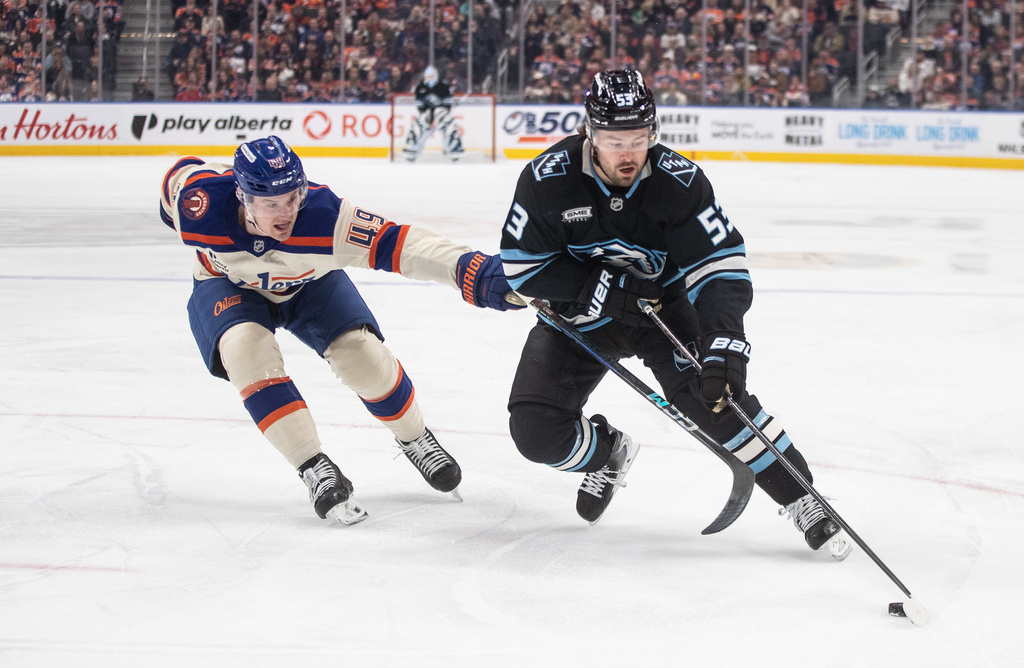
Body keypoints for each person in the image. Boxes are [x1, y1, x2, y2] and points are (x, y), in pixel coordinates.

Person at [497, 70, 851, 559]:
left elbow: (720, 265)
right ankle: (608, 453)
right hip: (581, 318)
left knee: (719, 398)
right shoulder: (547, 179)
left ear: (654, 131)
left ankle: (802, 497)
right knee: (534, 432)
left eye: (639, 139)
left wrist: (725, 339)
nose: (627, 153)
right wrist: (604, 291)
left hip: (663, 312)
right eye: (613, 139)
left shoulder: (678, 182)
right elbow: (522, 268)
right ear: (588, 133)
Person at [160, 136, 522, 524]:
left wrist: (472, 268)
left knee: (361, 356)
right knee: (245, 353)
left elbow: (400, 243)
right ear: (242, 196)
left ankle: (415, 436)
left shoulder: (326, 218)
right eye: (270, 204)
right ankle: (312, 465)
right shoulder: (198, 204)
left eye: (292, 198)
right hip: (228, 285)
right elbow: (175, 179)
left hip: (309, 283)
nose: (285, 214)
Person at [401, 65, 463, 162]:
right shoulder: (420, 88)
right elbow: (420, 107)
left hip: (441, 114)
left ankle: (454, 147)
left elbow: (447, 106)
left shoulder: (444, 87)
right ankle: (411, 148)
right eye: (428, 76)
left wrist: (438, 114)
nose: (430, 78)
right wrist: (429, 116)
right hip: (426, 114)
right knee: (419, 123)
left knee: (447, 121)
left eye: (432, 76)